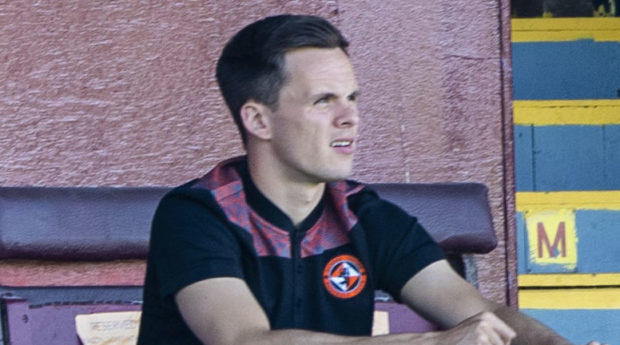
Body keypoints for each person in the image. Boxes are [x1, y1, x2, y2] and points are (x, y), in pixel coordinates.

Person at [137, 14, 604, 345]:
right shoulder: (198, 214)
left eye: (353, 97)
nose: (351, 118)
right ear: (259, 120)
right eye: (324, 101)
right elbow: (244, 340)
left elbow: (478, 313)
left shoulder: (363, 215)